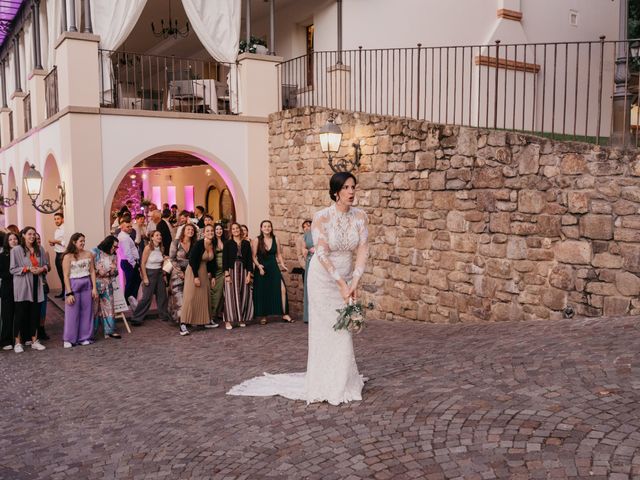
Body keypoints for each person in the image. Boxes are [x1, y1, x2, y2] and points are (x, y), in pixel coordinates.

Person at [228, 172, 369, 405]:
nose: (351, 192)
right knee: (327, 329)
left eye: (353, 187)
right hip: (324, 278)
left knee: (344, 329)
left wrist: (354, 280)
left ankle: (343, 378)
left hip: (346, 275)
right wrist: (342, 284)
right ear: (335, 192)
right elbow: (321, 253)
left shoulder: (361, 217)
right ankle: (325, 381)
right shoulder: (321, 217)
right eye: (345, 188)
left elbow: (363, 249)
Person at [10, 227, 50, 353]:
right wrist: (27, 269)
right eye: (29, 234)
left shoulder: (40, 249)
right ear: (23, 235)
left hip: (36, 285)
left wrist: (42, 269)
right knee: (20, 315)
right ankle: (17, 342)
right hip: (22, 286)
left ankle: (34, 340)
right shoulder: (16, 250)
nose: (32, 236)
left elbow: (47, 265)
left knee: (35, 314)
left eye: (33, 234)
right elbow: (12, 269)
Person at [252, 220, 292, 325]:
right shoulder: (257, 240)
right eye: (264, 226)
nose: (267, 228)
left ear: (271, 228)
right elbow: (253, 256)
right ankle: (263, 316)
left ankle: (285, 313)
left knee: (282, 289)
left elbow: (278, 254)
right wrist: (258, 266)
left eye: (269, 226)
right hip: (262, 268)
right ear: (261, 228)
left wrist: (282, 264)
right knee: (263, 292)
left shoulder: (276, 239)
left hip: (273, 267)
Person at [180, 224, 217, 335]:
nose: (210, 232)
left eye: (212, 231)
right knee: (190, 297)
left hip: (204, 272)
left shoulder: (212, 244)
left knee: (204, 297)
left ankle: (205, 321)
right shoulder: (199, 244)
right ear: (204, 233)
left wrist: (213, 276)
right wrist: (195, 277)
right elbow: (192, 260)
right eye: (208, 231)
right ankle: (183, 324)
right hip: (193, 271)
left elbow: (211, 262)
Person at [62, 232, 98, 348]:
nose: (83, 243)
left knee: (87, 312)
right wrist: (69, 293)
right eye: (80, 241)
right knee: (72, 313)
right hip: (73, 285)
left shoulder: (88, 254)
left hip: (87, 284)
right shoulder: (67, 257)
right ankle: (69, 339)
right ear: (74, 242)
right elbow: (66, 275)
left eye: (84, 241)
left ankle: (85, 337)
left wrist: (94, 288)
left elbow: (92, 271)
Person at [131, 230, 170, 325]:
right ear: (152, 238)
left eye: (160, 235)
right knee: (146, 297)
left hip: (159, 273)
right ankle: (136, 318)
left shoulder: (161, 248)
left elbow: (160, 263)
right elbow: (142, 264)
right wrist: (145, 277)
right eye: (157, 235)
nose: (159, 236)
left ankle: (164, 315)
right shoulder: (148, 248)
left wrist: (164, 274)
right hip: (149, 273)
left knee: (162, 296)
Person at [222, 223, 253, 330]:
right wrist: (226, 274)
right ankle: (228, 321)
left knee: (243, 294)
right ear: (231, 231)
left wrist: (249, 274)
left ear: (240, 230)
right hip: (231, 269)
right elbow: (224, 260)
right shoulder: (228, 243)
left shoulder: (246, 243)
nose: (235, 230)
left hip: (243, 269)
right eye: (233, 229)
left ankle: (241, 319)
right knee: (230, 295)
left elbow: (249, 260)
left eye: (237, 228)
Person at [92, 235, 121, 339]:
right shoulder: (95, 252)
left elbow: (116, 270)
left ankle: (110, 330)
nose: (115, 249)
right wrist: (99, 271)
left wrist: (112, 271)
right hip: (95, 284)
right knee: (94, 309)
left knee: (109, 308)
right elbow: (90, 269)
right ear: (107, 244)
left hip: (108, 284)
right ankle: (92, 332)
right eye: (114, 246)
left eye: (117, 247)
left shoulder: (114, 256)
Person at [169, 223, 196, 326]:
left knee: (188, 297)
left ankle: (188, 318)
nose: (190, 231)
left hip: (190, 273)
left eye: (192, 230)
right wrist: (180, 272)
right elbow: (172, 259)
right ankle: (182, 321)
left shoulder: (194, 244)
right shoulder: (176, 243)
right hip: (177, 273)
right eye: (188, 229)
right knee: (178, 296)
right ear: (183, 231)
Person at [117, 219, 140, 308]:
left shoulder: (125, 236)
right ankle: (128, 301)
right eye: (128, 226)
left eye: (130, 226)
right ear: (122, 227)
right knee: (132, 282)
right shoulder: (124, 238)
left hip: (128, 262)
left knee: (134, 281)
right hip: (129, 262)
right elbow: (127, 252)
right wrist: (134, 263)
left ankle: (130, 299)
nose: (130, 228)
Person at [0, 232, 17, 350]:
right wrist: (14, 273)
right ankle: (6, 340)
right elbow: (1, 273)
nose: (13, 241)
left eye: (15, 239)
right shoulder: (2, 256)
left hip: (21, 288)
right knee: (7, 314)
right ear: (7, 241)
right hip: (7, 287)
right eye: (10, 239)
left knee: (20, 314)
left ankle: (20, 338)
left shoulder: (22, 254)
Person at [208, 223, 226, 326]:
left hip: (225, 270)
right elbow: (210, 259)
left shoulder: (226, 241)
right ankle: (212, 315)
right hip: (216, 271)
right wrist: (212, 273)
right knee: (216, 293)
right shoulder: (212, 242)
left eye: (220, 229)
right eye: (217, 229)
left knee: (224, 293)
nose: (219, 231)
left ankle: (219, 312)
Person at [35, 233, 51, 341]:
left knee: (43, 309)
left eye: (39, 238)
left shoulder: (44, 252)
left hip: (43, 282)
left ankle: (41, 328)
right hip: (32, 283)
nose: (37, 240)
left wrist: (43, 268)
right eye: (36, 239)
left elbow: (48, 268)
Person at [298, 220, 314, 324]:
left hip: (318, 263)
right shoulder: (301, 238)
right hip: (308, 265)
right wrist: (305, 266)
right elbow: (300, 254)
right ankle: (308, 316)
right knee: (308, 289)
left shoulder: (318, 234)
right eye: (304, 227)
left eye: (308, 225)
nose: (307, 228)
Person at [48, 212, 66, 298]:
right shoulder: (57, 230)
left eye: (58, 219)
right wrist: (53, 243)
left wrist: (55, 241)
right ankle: (63, 292)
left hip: (63, 255)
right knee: (60, 275)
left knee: (65, 275)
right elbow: (59, 242)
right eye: (55, 219)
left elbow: (66, 242)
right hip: (57, 254)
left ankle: (67, 293)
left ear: (62, 219)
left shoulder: (65, 228)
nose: (56, 221)